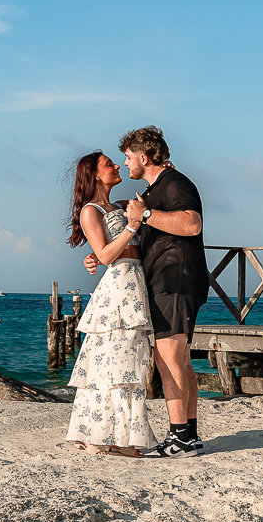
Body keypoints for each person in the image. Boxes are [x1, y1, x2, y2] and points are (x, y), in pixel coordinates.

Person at [86, 126, 209, 458]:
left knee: (169, 358)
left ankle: (179, 438)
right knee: (178, 358)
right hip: (168, 281)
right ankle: (190, 435)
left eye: (127, 157)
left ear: (143, 157)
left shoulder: (174, 183)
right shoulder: (155, 188)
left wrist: (148, 214)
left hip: (175, 280)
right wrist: (98, 253)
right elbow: (125, 234)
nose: (125, 164)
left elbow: (191, 224)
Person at [63, 151, 158, 456]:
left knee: (130, 365)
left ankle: (125, 437)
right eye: (109, 164)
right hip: (117, 289)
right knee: (110, 365)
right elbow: (105, 255)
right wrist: (130, 226)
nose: (117, 166)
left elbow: (109, 252)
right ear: (93, 174)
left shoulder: (118, 206)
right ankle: (101, 436)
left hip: (136, 282)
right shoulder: (90, 211)